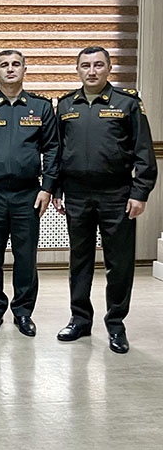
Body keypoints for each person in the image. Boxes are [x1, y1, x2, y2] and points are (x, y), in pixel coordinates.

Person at [52, 46, 157, 354]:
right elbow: (57, 152)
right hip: (77, 195)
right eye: (85, 65)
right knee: (79, 261)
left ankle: (116, 324)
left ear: (109, 69)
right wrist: (57, 190)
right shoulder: (66, 105)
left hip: (117, 195)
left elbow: (144, 151)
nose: (92, 71)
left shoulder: (128, 103)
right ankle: (80, 319)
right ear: (77, 70)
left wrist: (140, 192)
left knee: (119, 263)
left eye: (98, 65)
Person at [0, 49, 58, 337]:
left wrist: (48, 187)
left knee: (26, 257)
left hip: (28, 193)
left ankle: (23, 312)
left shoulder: (41, 107)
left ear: (24, 70)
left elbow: (52, 149)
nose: (10, 69)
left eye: (16, 64)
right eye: (4, 65)